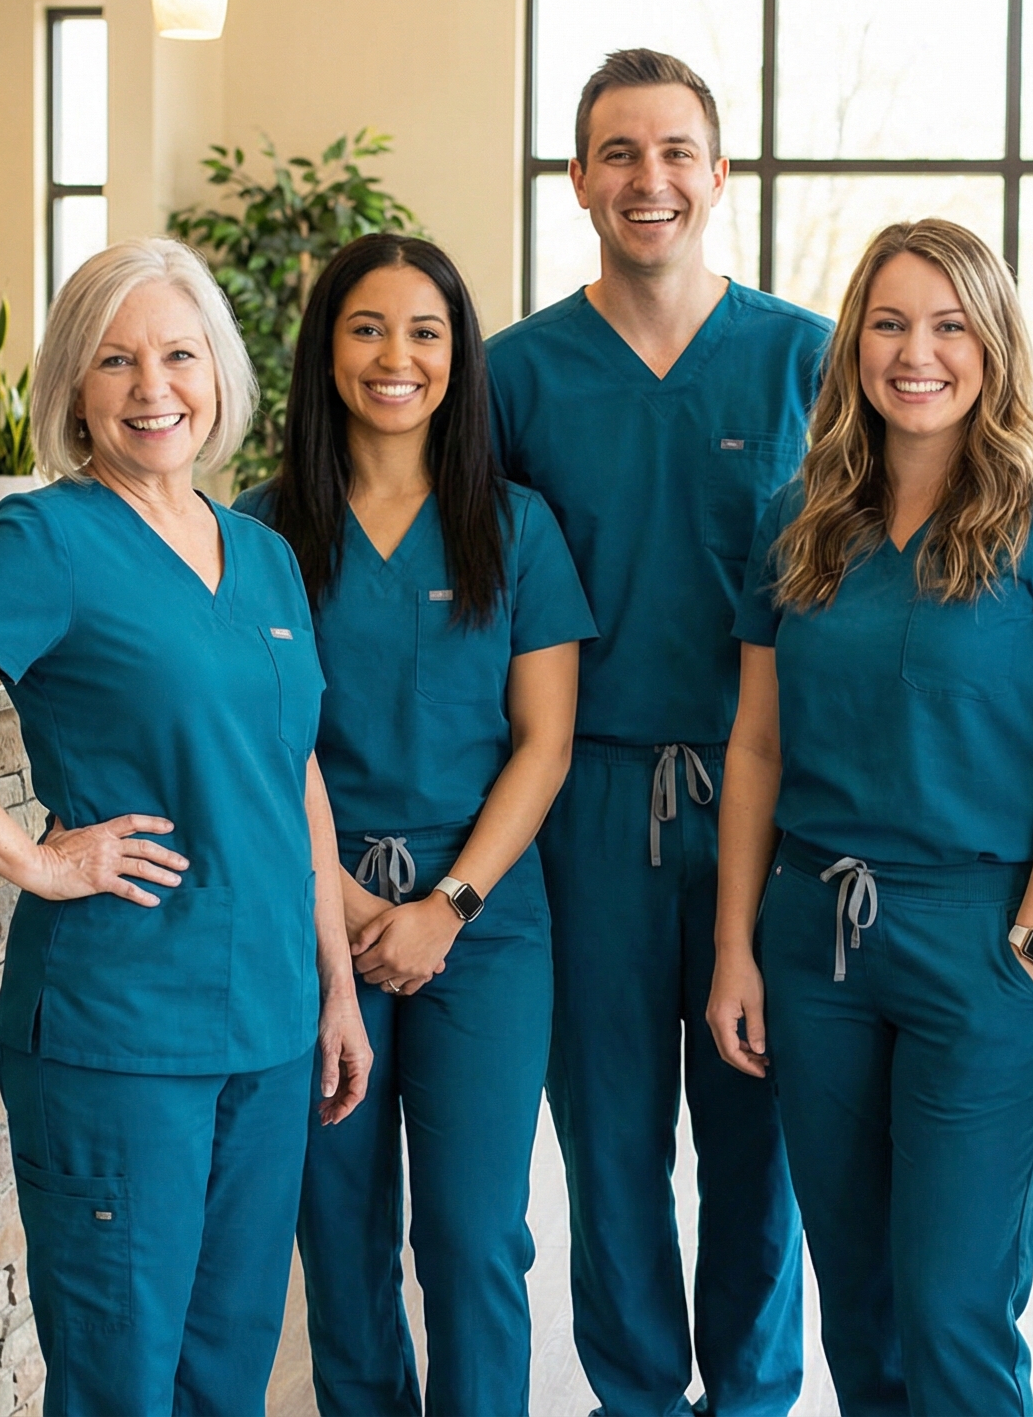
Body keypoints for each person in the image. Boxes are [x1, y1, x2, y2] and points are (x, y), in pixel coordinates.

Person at [0, 238, 371, 1417]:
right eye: (116, 360)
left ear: (219, 374)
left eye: (179, 355)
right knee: (122, 1383)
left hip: (271, 1022)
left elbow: (292, 776)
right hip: (122, 1030)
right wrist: (34, 859)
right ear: (74, 389)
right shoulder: (48, 540)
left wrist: (336, 986)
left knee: (226, 1375)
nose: (153, 387)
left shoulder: (267, 556)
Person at [704, 219, 1033, 1416]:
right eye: (890, 324)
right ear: (853, 345)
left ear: (992, 345)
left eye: (949, 326)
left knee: (953, 1307)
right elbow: (756, 746)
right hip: (817, 943)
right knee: (859, 1305)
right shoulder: (799, 516)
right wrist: (737, 947)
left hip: (983, 941)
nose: (917, 353)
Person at [487, 47, 829, 1417]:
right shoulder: (513, 378)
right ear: (577, 180)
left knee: (761, 1136)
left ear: (719, 173)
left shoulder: (807, 359)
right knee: (609, 1142)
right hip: (585, 805)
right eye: (619, 153)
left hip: (773, 805)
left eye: (677, 150)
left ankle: (748, 1397)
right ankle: (634, 1394)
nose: (651, 178)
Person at [233, 235, 595, 1416]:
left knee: (474, 1234)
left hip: (483, 927)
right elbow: (257, 746)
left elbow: (544, 743)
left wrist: (448, 906)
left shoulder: (515, 526)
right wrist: (343, 904)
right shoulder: (257, 534)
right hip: (310, 918)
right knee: (338, 1236)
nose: (397, 357)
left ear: (458, 355)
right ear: (325, 350)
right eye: (367, 328)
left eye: (425, 332)